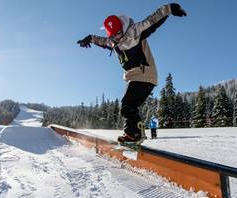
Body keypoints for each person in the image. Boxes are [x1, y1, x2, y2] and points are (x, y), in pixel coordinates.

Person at [77, 3, 187, 144]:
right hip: (134, 76)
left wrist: (170, 9)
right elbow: (102, 41)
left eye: (118, 33)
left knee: (127, 105)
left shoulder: (134, 31)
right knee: (128, 106)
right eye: (113, 35)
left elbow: (152, 20)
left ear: (122, 27)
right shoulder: (112, 41)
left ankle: (135, 134)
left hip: (145, 73)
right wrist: (90, 38)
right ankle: (134, 133)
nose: (116, 37)